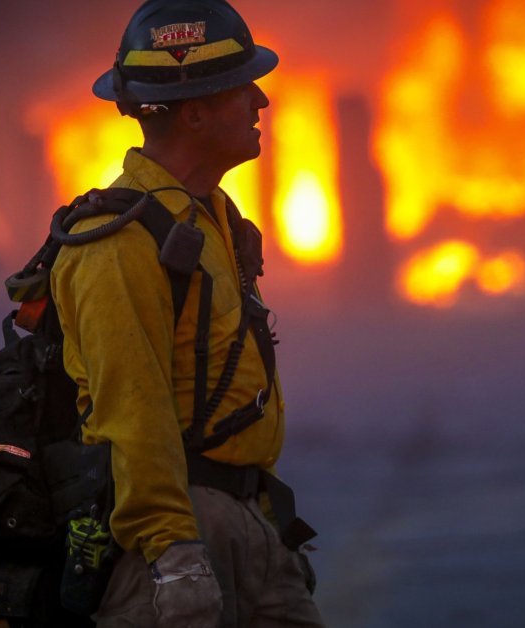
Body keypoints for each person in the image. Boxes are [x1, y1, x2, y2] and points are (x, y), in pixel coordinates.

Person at [48, 1, 325, 626]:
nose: (262, 102)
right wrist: (174, 552)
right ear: (195, 112)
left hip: (248, 523)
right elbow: (132, 410)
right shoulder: (118, 240)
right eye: (241, 88)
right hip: (176, 536)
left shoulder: (210, 219)